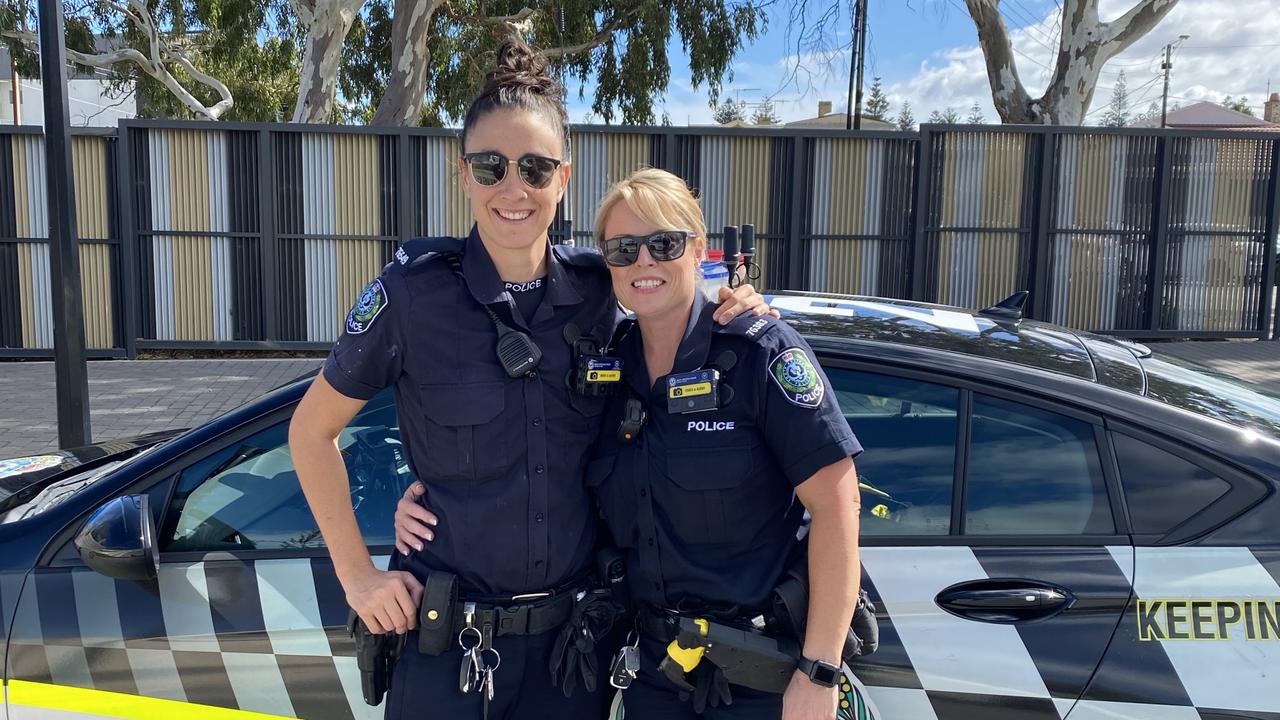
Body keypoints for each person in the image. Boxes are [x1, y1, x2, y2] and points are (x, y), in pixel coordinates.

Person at [288, 39, 772, 720]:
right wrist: (358, 576)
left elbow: (675, 317)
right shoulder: (412, 298)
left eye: (535, 168)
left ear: (563, 178)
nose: (513, 189)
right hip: (446, 654)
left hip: (570, 659)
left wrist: (735, 308)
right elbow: (311, 433)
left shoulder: (601, 290)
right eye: (491, 167)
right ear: (464, 177)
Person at [397, 169, 864, 720]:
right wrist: (434, 497)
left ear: (696, 249)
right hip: (655, 680)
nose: (643, 261)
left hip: (765, 680)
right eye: (622, 249)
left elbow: (838, 507)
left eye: (663, 243)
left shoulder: (759, 355)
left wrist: (820, 673)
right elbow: (547, 462)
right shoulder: (607, 374)